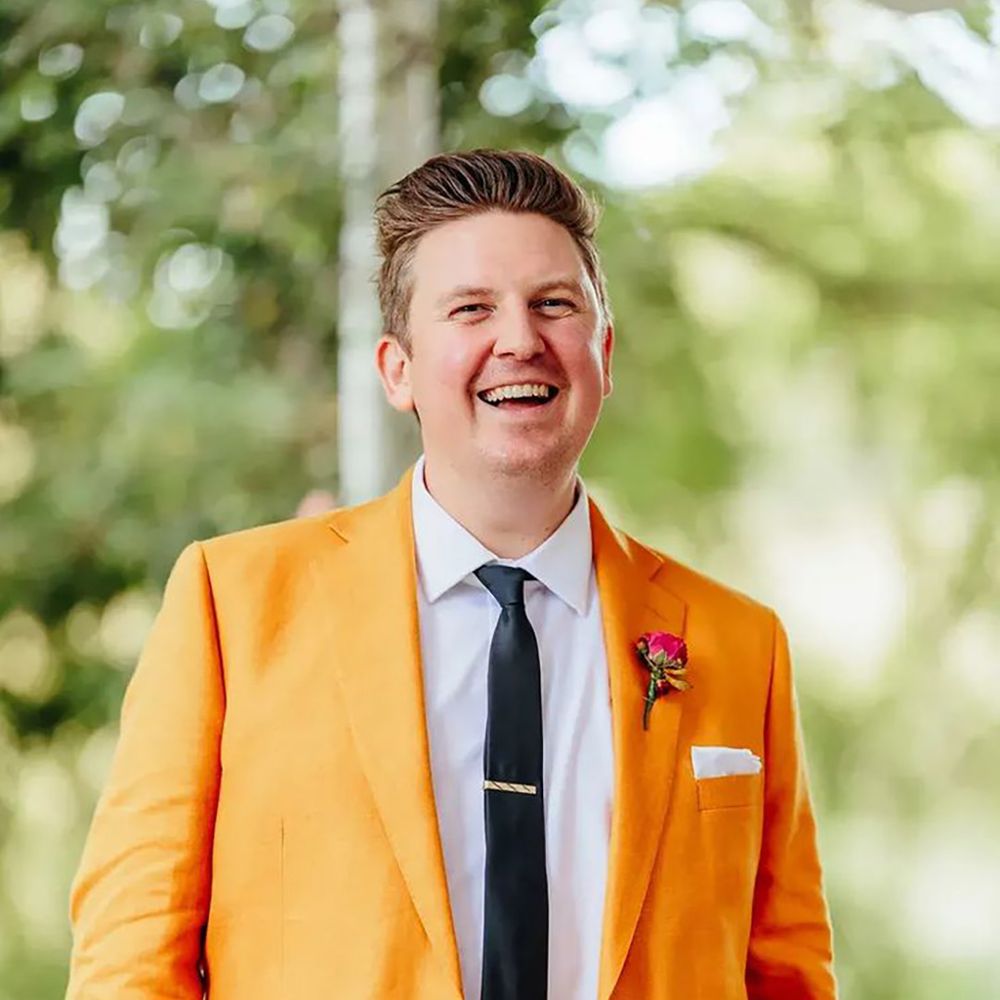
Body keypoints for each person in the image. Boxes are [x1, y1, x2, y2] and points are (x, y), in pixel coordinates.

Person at [66, 149, 837, 999]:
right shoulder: (232, 603)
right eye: (472, 309)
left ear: (605, 354)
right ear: (397, 370)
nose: (520, 340)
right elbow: (130, 965)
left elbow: (789, 977)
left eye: (554, 305)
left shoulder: (740, 643)